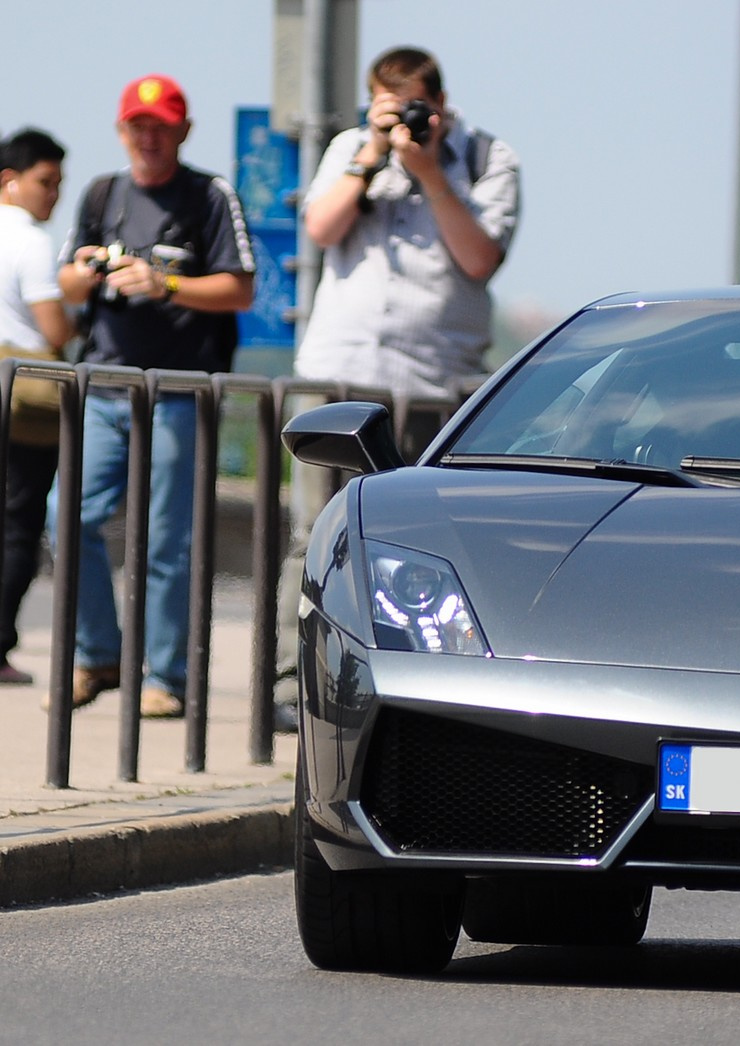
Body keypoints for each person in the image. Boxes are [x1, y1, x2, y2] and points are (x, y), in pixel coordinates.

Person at [277, 46, 520, 730]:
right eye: (392, 107)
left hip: (432, 381)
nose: (408, 119)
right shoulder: (355, 146)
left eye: (417, 106)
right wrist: (371, 157)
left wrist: (430, 171)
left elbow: (479, 257)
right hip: (338, 371)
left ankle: (420, 693)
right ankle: (292, 686)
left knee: (426, 545)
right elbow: (320, 229)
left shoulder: (484, 158)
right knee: (315, 536)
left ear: (439, 104)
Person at [51, 74, 255, 717]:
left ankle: (167, 677)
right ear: (121, 131)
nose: (149, 137)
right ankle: (99, 655)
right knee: (69, 517)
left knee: (166, 538)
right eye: (138, 126)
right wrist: (87, 273)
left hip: (179, 391)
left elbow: (240, 288)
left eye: (161, 126)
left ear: (183, 132)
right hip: (105, 385)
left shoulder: (210, 196)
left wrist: (163, 282)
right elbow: (65, 284)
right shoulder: (102, 193)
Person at [0, 128, 71, 685]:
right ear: (11, 181)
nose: (53, 195)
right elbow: (53, 328)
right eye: (45, 182)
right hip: (23, 400)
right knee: (19, 525)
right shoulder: (30, 240)